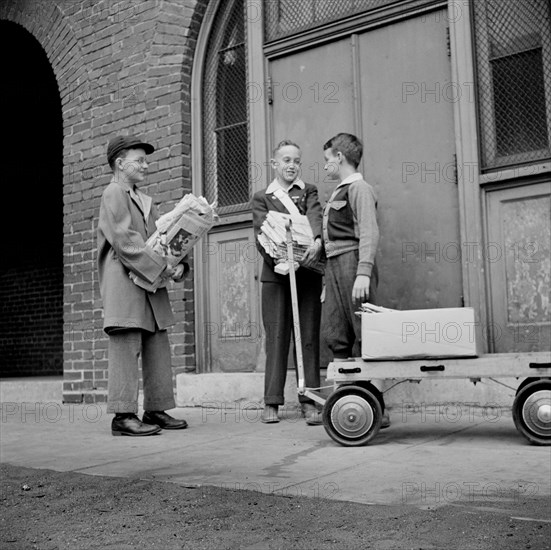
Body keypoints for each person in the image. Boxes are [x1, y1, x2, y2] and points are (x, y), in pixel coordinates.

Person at [97, 135, 189, 436]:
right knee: (126, 344)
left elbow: (159, 241)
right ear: (120, 164)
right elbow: (126, 243)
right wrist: (163, 267)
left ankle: (155, 409)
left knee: (156, 343)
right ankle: (122, 415)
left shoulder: (142, 199)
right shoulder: (113, 193)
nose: (145, 165)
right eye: (139, 160)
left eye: (145, 160)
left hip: (149, 282)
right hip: (125, 283)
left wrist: (178, 264)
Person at [252, 140, 324, 425]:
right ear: (274, 164)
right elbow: (261, 235)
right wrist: (280, 260)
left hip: (306, 272)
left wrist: (317, 240)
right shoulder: (262, 197)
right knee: (277, 336)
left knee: (307, 336)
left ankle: (310, 399)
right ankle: (272, 401)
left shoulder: (309, 192)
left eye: (296, 160)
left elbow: (316, 215)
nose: (291, 165)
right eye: (286, 160)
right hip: (276, 275)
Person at [321, 132, 390, 428]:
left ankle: (376, 408)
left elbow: (370, 233)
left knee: (365, 335)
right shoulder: (340, 190)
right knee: (336, 332)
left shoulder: (359, 188)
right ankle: (347, 398)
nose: (325, 166)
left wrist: (363, 271)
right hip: (335, 266)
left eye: (327, 160)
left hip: (353, 264)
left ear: (339, 157)